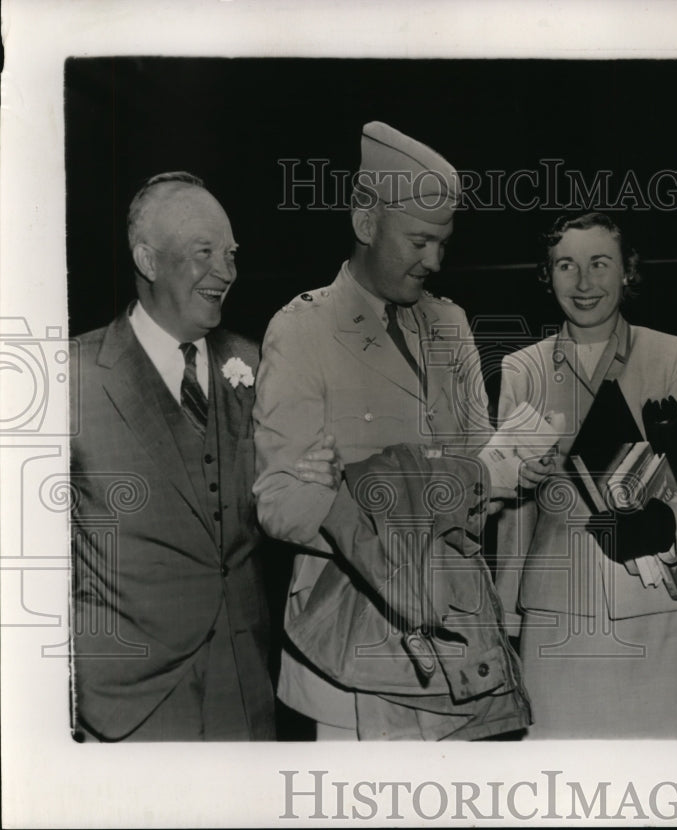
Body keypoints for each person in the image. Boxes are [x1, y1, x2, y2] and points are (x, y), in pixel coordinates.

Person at [253, 122, 530, 740]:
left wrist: (506, 472)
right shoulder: (303, 330)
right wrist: (415, 491)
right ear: (365, 221)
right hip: (354, 649)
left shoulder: (450, 324)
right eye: (419, 241)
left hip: (457, 637)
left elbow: (479, 474)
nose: (434, 261)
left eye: (444, 242)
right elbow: (280, 499)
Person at [71, 172, 336, 741]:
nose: (226, 270)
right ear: (147, 259)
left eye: (231, 253)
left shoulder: (254, 362)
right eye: (204, 253)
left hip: (243, 696)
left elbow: (280, 498)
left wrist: (311, 477)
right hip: (125, 710)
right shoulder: (69, 378)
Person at [494, 212, 677, 738]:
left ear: (627, 272)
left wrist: (670, 530)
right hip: (555, 618)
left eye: (600, 264)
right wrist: (505, 618)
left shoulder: (673, 356)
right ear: (548, 276)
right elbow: (512, 516)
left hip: (657, 607)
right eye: (566, 265)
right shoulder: (521, 369)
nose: (584, 282)